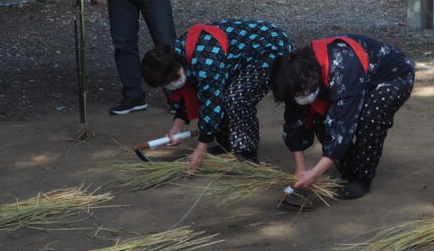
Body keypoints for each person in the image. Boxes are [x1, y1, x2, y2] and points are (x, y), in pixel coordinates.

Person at [270, 35, 414, 200]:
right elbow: (295, 119)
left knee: (370, 118)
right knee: (321, 118)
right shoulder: (295, 76)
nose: (298, 97)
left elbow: (342, 124)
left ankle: (362, 179)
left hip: (392, 76)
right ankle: (350, 171)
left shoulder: (341, 66)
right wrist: (300, 167)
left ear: (311, 81)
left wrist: (315, 173)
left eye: (300, 93)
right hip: (354, 80)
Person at [141, 20, 292, 171]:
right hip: (243, 54)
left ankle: (247, 155)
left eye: (173, 79)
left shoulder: (204, 60)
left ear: (177, 66)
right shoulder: (177, 55)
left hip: (271, 47)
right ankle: (226, 144)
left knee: (236, 97)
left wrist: (200, 150)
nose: (172, 85)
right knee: (221, 92)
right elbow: (191, 90)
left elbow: (211, 103)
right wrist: (177, 125)